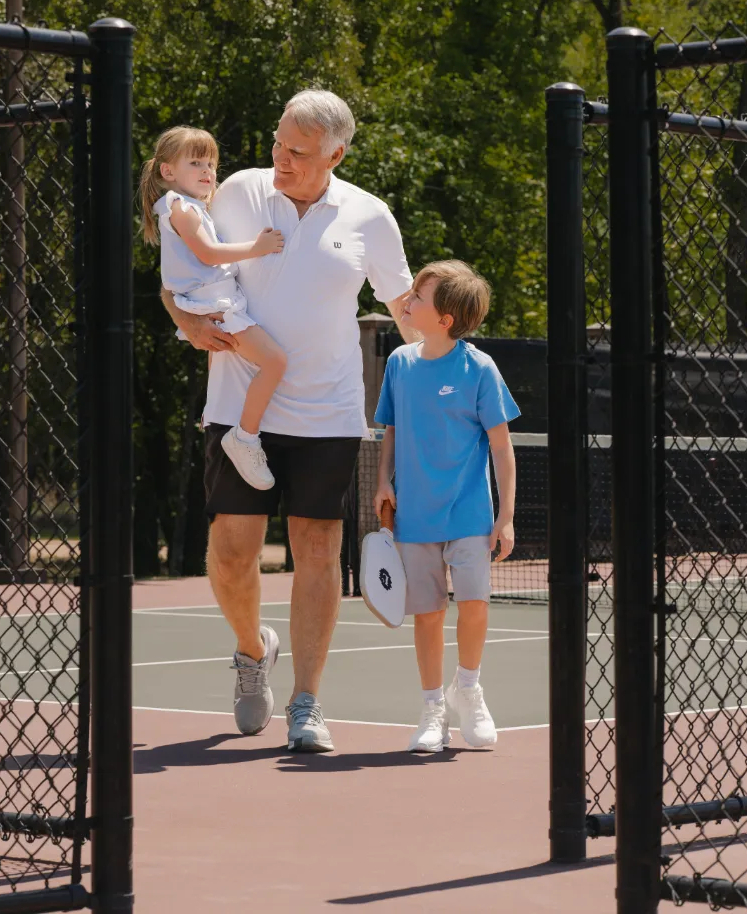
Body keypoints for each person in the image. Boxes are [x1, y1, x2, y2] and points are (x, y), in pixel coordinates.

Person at [160, 90, 415, 752]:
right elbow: (179, 263)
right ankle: (253, 650)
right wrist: (183, 318)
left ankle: (307, 702)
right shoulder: (239, 191)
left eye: (297, 151)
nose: (281, 158)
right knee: (233, 551)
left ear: (337, 152)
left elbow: (407, 310)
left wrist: (444, 378)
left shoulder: (370, 217)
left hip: (327, 412)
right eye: (277, 142)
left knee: (319, 550)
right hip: (237, 406)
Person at [372, 260, 519, 753]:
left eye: (418, 296)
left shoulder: (479, 369)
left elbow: (501, 448)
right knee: (428, 614)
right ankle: (433, 705)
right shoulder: (399, 363)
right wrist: (381, 481)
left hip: (470, 515)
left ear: (445, 319)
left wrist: (506, 515)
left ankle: (469, 689)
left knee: (475, 605)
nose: (407, 301)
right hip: (415, 517)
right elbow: (390, 429)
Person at [140, 126, 287, 490]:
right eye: (195, 163)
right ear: (167, 172)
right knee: (275, 362)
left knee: (220, 359)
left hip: (214, 299)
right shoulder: (181, 209)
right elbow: (207, 253)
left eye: (211, 163)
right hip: (215, 303)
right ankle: (245, 436)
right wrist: (259, 247)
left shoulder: (189, 207)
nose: (207, 171)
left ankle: (216, 416)